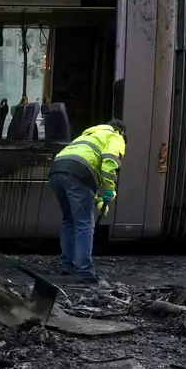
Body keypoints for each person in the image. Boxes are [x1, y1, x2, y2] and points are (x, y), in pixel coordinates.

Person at [47, 119, 127, 283]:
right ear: (121, 132)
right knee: (84, 223)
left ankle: (66, 265)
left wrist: (99, 201)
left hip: (56, 170)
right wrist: (109, 189)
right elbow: (109, 163)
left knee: (69, 219)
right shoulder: (114, 136)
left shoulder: (89, 135)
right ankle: (85, 271)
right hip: (78, 173)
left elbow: (90, 176)